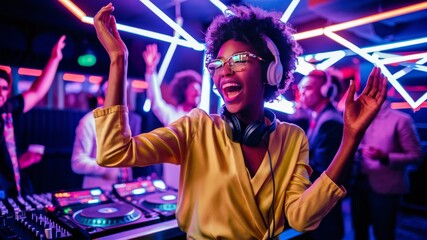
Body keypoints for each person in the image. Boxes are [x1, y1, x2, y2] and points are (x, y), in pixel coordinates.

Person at [92, 3, 387, 239]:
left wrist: (351, 138)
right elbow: (114, 151)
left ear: (271, 71)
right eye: (218, 64)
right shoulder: (196, 127)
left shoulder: (292, 137)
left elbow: (300, 217)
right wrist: (119, 60)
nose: (225, 72)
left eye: (240, 60)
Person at [0, 35, 66, 199]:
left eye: (3, 88)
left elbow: (36, 92)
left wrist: (54, 59)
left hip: (13, 192)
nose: (0, 92)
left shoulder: (7, 109)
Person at [351, 98, 422, 240]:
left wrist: (385, 157)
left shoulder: (401, 120)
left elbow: (416, 156)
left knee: (383, 232)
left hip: (387, 185)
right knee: (359, 230)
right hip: (359, 182)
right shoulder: (360, 117)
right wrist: (359, 150)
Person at [142, 43, 202, 189]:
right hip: (174, 185)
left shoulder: (203, 118)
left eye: (199, 91)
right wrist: (151, 70)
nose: (197, 93)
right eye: (194, 89)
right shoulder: (172, 115)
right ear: (184, 91)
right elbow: (156, 101)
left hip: (198, 185)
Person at [71, 79, 143, 191]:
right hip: (100, 194)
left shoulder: (125, 121)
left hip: (124, 192)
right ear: (102, 95)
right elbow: (77, 163)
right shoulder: (89, 122)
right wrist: (108, 168)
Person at [298, 69, 344, 240]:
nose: (302, 93)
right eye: (301, 88)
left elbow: (324, 169)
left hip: (324, 202)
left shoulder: (330, 121)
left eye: (308, 88)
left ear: (326, 91)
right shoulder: (318, 117)